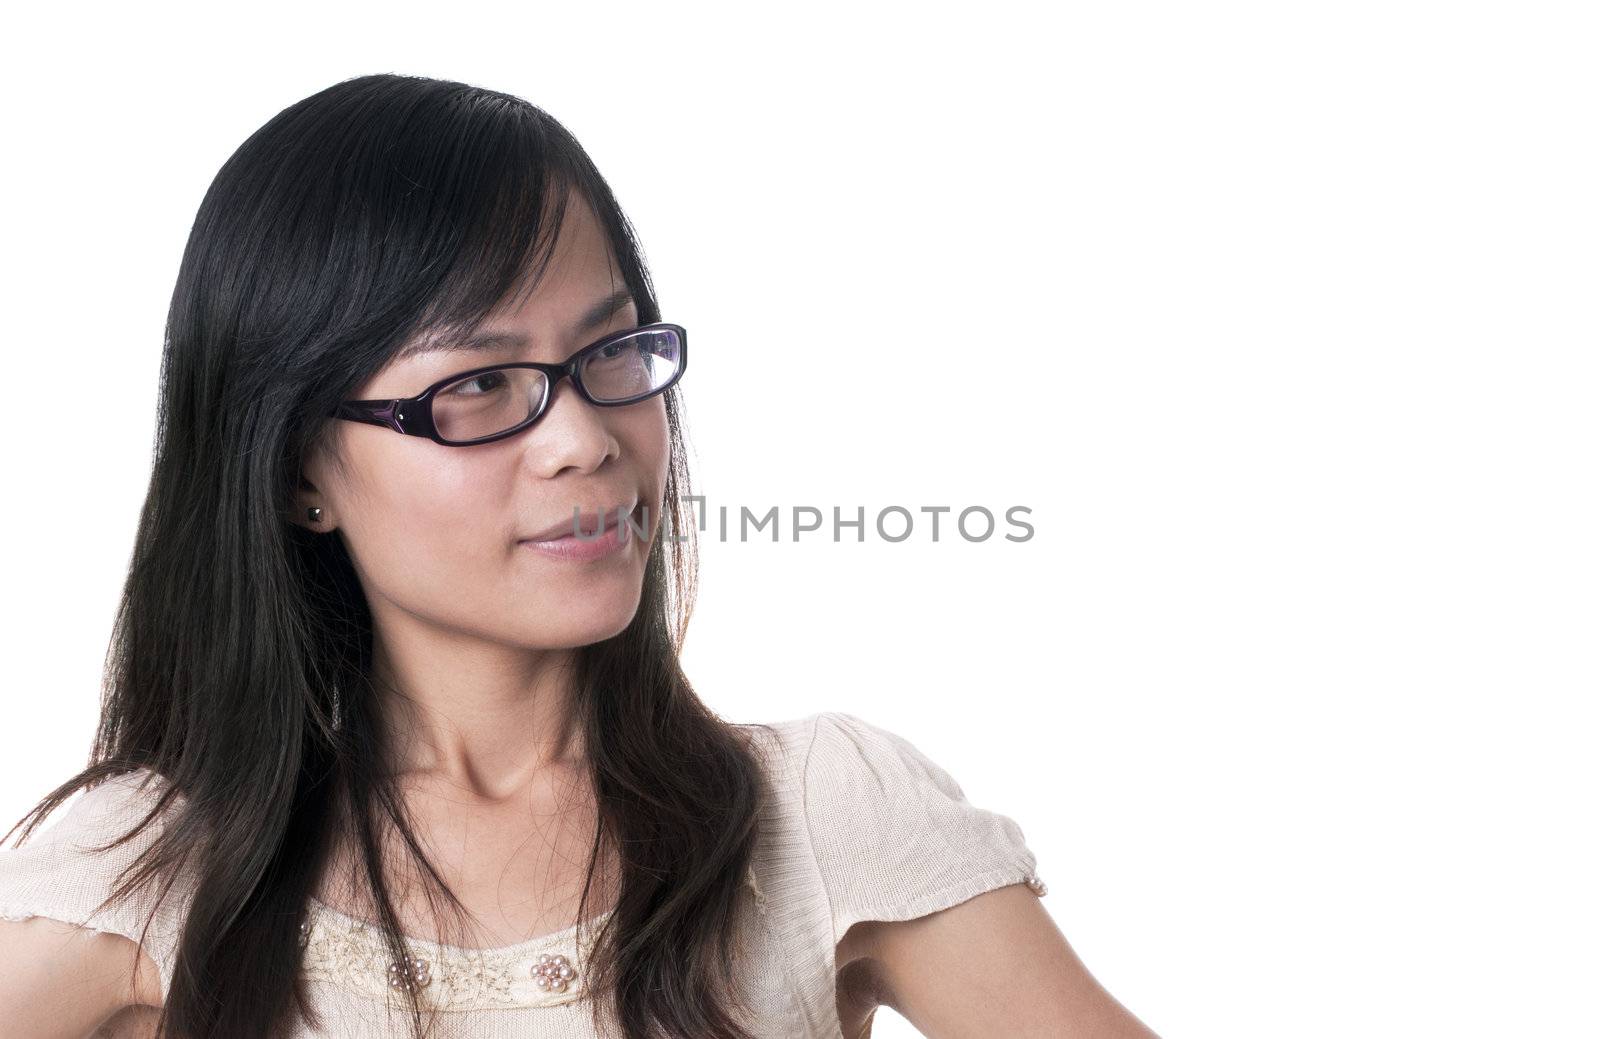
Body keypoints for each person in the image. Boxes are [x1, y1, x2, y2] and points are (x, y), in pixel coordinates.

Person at [0, 73, 1158, 1038]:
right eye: (480, 384)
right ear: (301, 470)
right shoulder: (149, 868)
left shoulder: (822, 813)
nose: (583, 439)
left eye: (611, 352)